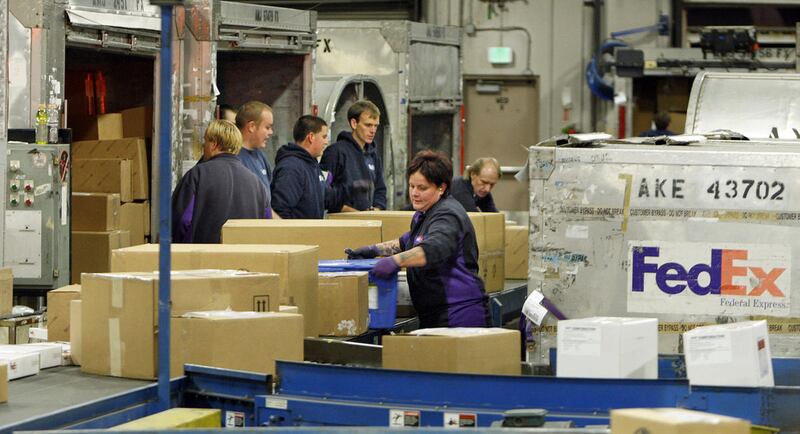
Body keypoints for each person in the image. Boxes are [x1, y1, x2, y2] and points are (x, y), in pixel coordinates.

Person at [346, 150, 490, 328]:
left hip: (459, 315)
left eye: (422, 188)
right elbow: (408, 241)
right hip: (435, 314)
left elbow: (430, 249)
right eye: (411, 186)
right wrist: (373, 250)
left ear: (441, 187)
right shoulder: (424, 213)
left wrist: (395, 261)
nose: (414, 193)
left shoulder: (448, 215)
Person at [172, 120, 269, 243]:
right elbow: (266, 225)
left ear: (213, 144)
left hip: (204, 258)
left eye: (205, 141)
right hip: (244, 259)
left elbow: (183, 220)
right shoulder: (256, 182)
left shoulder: (197, 175)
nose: (203, 146)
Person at [320, 100, 387, 212]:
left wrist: (377, 209)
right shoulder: (335, 152)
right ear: (354, 123)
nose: (373, 131)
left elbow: (380, 189)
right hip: (343, 222)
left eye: (376, 126)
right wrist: (346, 210)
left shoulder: (373, 155)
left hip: (368, 221)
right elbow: (323, 192)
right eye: (368, 125)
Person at [271, 115, 333, 219]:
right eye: (324, 137)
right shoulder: (291, 168)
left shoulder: (312, 165)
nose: (326, 142)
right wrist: (294, 234)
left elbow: (327, 199)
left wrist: (350, 190)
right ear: (311, 137)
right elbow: (281, 210)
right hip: (297, 234)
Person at [235, 100, 278, 218]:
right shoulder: (233, 157)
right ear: (252, 126)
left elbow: (266, 205)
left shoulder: (261, 156)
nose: (271, 132)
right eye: (267, 127)